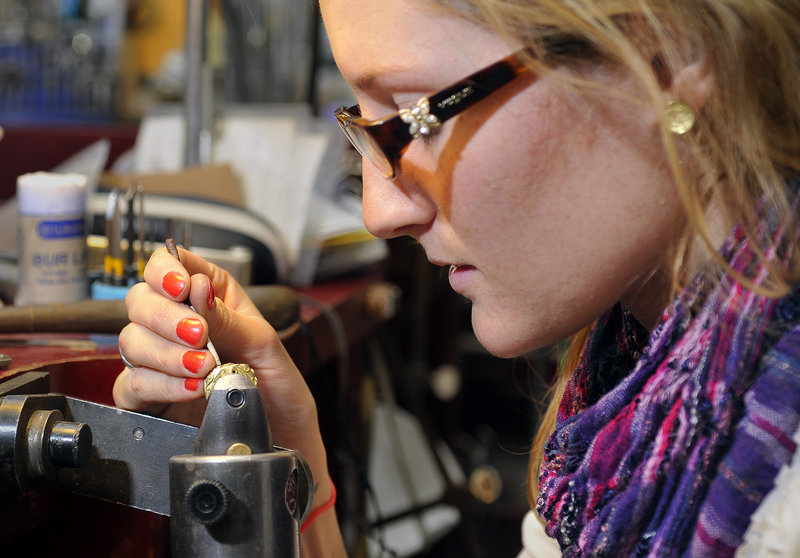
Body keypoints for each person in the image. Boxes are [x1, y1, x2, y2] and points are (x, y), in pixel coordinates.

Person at [113, 0, 800, 555]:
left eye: (417, 117)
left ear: (667, 57)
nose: (381, 212)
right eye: (367, 128)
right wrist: (294, 483)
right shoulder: (627, 395)